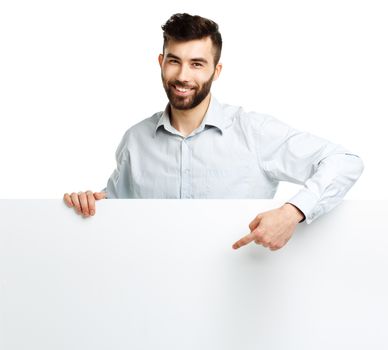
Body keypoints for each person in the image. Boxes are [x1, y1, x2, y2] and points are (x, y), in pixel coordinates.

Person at [64, 13, 364, 251]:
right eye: (174, 61)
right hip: (154, 303)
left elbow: (344, 161)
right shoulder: (135, 140)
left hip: (236, 307)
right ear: (161, 63)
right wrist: (88, 205)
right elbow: (118, 214)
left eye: (197, 64)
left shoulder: (253, 133)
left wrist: (292, 212)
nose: (183, 76)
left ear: (216, 71)